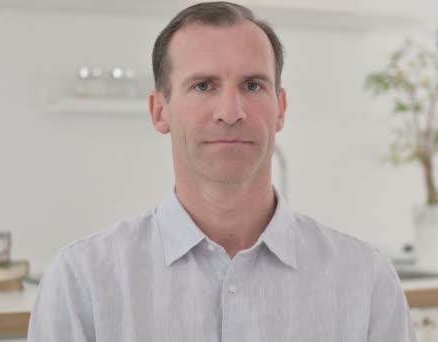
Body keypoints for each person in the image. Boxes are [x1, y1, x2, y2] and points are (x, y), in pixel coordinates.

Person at [28, 2, 417, 341]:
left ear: (280, 108)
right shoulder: (82, 283)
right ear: (159, 111)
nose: (231, 112)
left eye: (252, 85)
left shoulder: (366, 282)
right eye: (203, 86)